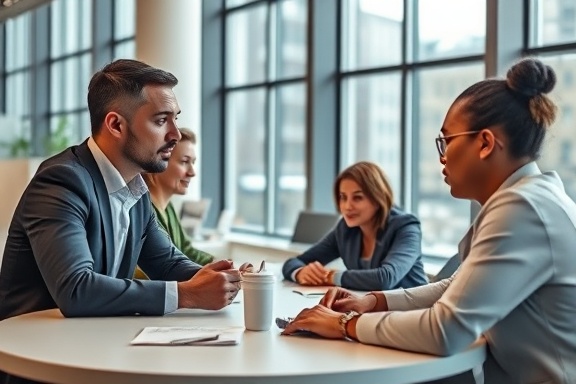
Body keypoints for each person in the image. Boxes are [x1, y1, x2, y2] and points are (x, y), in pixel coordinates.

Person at [282, 57, 576, 383]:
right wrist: (374, 300)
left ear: (485, 143)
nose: (442, 156)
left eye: (447, 140)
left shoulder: (522, 209)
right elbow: (459, 287)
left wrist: (344, 324)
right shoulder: (531, 199)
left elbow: (445, 331)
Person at [0, 59, 242, 321]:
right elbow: (76, 290)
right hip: (30, 351)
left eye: (176, 120)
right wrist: (186, 294)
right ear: (115, 125)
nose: (175, 135)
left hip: (92, 341)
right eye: (162, 121)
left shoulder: (135, 191)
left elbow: (168, 263)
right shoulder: (62, 181)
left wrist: (223, 277)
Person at [282, 161, 428, 291]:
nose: (347, 206)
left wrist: (329, 276)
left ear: (378, 198)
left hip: (415, 313)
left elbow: (385, 279)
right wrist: (300, 272)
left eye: (357, 198)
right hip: (372, 311)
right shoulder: (345, 229)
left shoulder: (406, 226)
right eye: (343, 197)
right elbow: (294, 262)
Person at [138, 128, 215, 275]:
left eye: (193, 162)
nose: (192, 172)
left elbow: (186, 250)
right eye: (185, 162)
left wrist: (226, 266)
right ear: (159, 161)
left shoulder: (168, 208)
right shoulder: (142, 211)